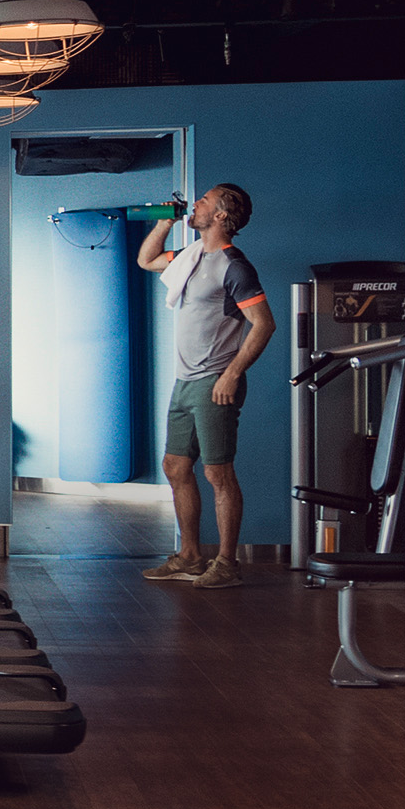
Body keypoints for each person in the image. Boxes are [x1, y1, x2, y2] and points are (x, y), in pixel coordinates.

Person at [137, 181, 274, 590]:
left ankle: (227, 563)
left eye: (203, 201)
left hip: (215, 381)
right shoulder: (191, 256)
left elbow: (264, 324)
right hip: (185, 381)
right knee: (175, 466)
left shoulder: (234, 266)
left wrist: (232, 374)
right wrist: (163, 222)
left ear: (220, 216)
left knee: (218, 472)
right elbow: (147, 261)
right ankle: (191, 556)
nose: (194, 205)